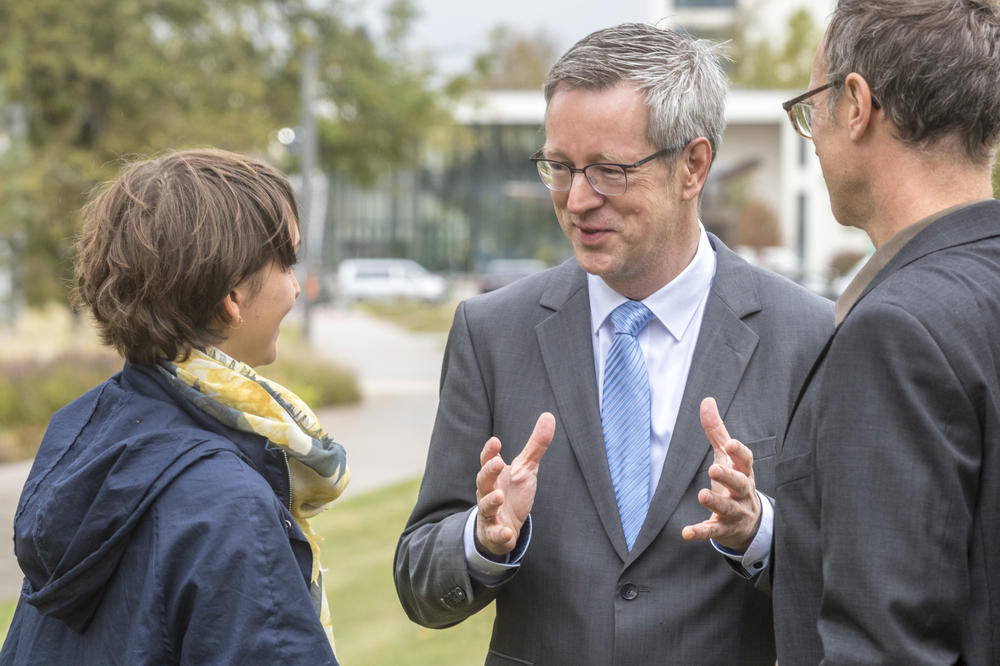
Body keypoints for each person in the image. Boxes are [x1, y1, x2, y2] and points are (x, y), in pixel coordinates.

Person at [393, 23, 832, 664]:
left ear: (693, 166)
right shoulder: (490, 333)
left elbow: (852, 576)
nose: (576, 200)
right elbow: (418, 582)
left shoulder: (808, 337)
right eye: (560, 167)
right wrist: (482, 540)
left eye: (608, 170)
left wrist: (757, 531)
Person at [683, 0, 1000, 662]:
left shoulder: (896, 332)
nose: (815, 131)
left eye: (813, 105)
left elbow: (883, 645)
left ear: (856, 104)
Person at [0, 149, 348, 664]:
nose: (296, 288)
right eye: (288, 263)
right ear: (231, 296)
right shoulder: (226, 503)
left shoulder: (83, 435)